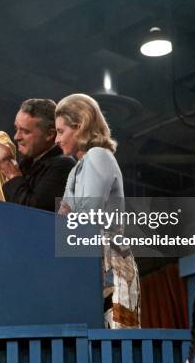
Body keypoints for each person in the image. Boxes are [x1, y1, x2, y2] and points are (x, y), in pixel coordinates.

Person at [55, 93, 140, 329]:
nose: (56, 139)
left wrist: (69, 217)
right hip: (89, 261)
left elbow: (84, 217)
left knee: (120, 340)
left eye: (61, 131)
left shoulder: (99, 155)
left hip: (112, 263)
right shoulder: (75, 170)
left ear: (79, 126)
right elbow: (64, 223)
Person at [0, 99, 75, 212]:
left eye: (25, 131)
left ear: (49, 134)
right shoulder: (25, 165)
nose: (16, 137)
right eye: (16, 129)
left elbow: (35, 213)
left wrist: (13, 175)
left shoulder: (64, 165)